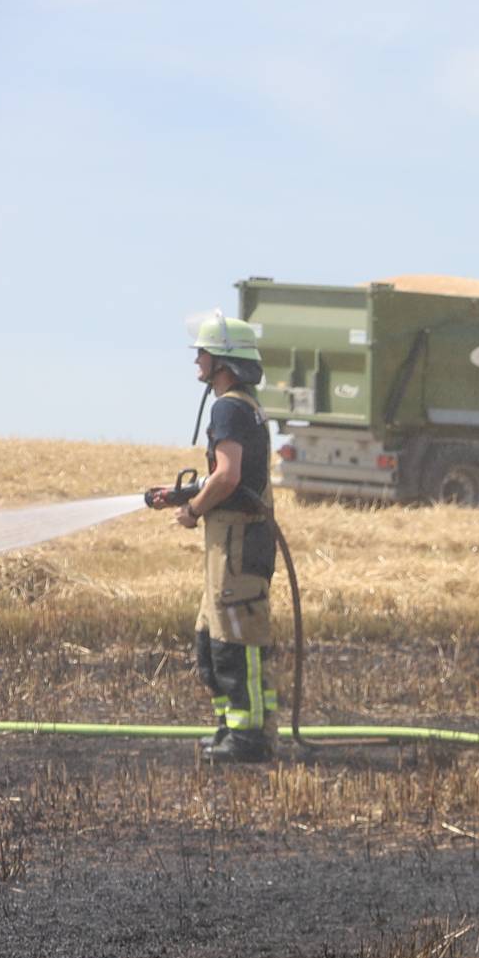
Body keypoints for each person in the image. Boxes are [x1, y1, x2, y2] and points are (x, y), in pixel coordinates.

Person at [159, 312, 280, 764]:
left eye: (203, 354)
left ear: (222, 361)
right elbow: (231, 478)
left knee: (236, 643)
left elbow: (227, 477)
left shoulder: (228, 407)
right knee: (212, 644)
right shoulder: (244, 404)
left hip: (236, 541)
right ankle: (234, 729)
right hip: (229, 541)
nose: (197, 362)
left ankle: (249, 739)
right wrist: (182, 494)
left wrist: (191, 509)